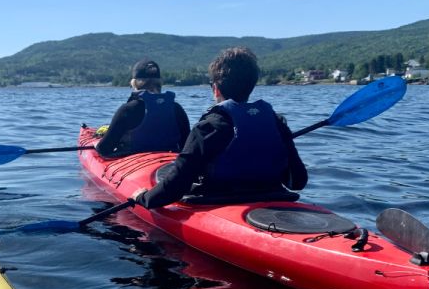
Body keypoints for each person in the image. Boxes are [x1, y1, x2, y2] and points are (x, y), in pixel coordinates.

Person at [131, 47, 307, 208]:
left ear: (215, 88)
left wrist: (144, 198)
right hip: (273, 197)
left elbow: (175, 187)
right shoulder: (276, 122)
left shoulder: (208, 127)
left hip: (215, 201)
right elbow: (298, 182)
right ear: (251, 86)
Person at [95, 58, 190, 158]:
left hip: (136, 165)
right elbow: (187, 146)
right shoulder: (177, 108)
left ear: (134, 83)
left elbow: (104, 149)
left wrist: (96, 144)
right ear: (160, 82)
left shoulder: (128, 110)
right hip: (171, 162)